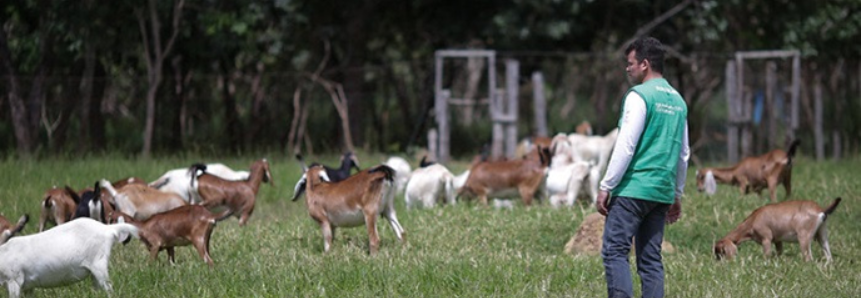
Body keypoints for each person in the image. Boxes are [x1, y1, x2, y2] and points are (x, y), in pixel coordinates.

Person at [596, 36, 689, 298]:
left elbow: (626, 144)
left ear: (645, 64)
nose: (628, 68)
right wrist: (677, 194)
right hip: (661, 192)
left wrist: (606, 185)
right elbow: (683, 154)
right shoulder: (679, 102)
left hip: (633, 190)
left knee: (615, 251)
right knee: (650, 260)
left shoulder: (638, 96)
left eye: (631, 63)